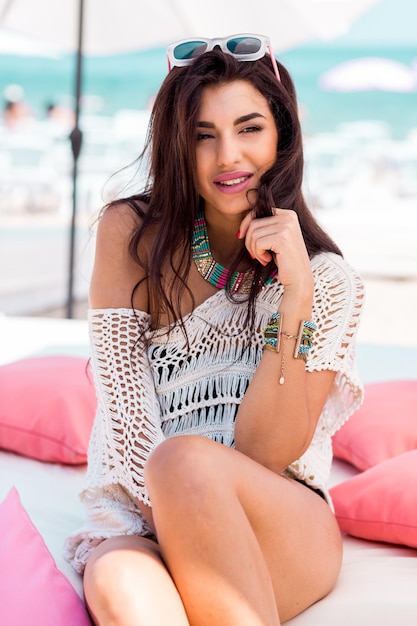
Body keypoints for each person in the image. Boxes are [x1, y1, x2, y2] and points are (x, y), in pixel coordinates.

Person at [65, 34, 365, 625]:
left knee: (186, 462)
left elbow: (264, 452)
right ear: (179, 145)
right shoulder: (130, 235)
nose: (228, 156)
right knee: (124, 584)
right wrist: (186, 528)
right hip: (143, 525)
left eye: (250, 128)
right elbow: (127, 429)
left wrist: (295, 297)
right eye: (204, 135)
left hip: (279, 525)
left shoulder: (326, 281)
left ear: (282, 136)